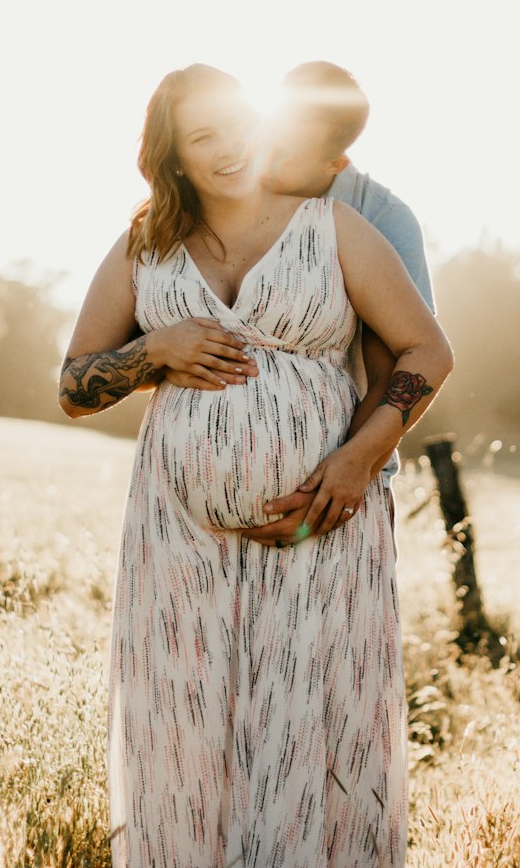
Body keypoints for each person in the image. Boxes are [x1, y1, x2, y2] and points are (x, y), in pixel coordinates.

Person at [59, 64, 453, 868]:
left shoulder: (336, 226)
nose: (231, 144)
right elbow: (75, 386)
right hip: (178, 534)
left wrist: (357, 459)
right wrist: (151, 351)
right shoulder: (140, 251)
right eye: (204, 136)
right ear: (173, 155)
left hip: (323, 521)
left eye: (238, 122)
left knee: (308, 714)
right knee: (184, 716)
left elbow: (428, 347)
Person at [163, 60, 435, 549]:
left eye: (284, 152)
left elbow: (404, 364)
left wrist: (344, 470)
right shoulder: (237, 199)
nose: (260, 157)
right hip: (198, 521)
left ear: (335, 163)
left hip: (340, 494)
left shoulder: (378, 219)